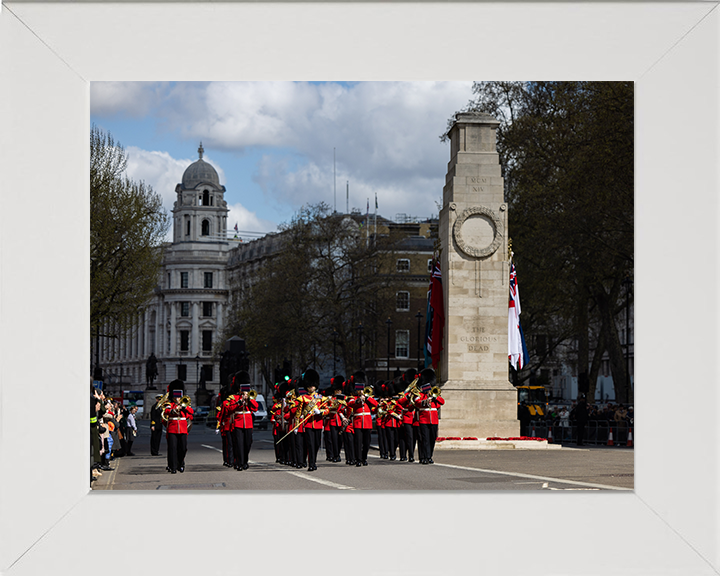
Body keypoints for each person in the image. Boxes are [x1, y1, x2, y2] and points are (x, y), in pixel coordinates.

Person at [225, 371, 258, 471]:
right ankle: (239, 463)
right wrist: (240, 402)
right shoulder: (234, 398)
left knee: (247, 444)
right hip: (238, 423)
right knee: (239, 444)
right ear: (239, 389)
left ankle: (245, 461)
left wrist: (249, 399)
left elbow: (255, 408)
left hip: (248, 424)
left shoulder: (251, 398)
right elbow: (230, 409)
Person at [414, 368, 444, 464]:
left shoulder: (434, 394)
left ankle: (430, 456)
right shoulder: (420, 394)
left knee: (432, 439)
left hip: (434, 420)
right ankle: (425, 457)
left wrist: (435, 397)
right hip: (424, 420)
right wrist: (426, 400)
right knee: (425, 439)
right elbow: (417, 403)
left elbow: (442, 402)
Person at [346, 372, 377, 467]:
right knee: (358, 442)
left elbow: (376, 404)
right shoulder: (353, 398)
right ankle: (358, 459)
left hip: (367, 423)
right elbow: (350, 404)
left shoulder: (368, 398)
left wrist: (366, 397)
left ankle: (364, 458)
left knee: (367, 443)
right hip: (358, 422)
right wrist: (359, 400)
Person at [164, 379, 194, 473]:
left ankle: (180, 463)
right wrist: (174, 409)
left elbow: (191, 412)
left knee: (183, 448)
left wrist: (183, 407)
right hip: (172, 429)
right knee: (173, 448)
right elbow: (166, 411)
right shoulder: (170, 404)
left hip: (183, 428)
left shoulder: (185, 403)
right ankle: (173, 467)